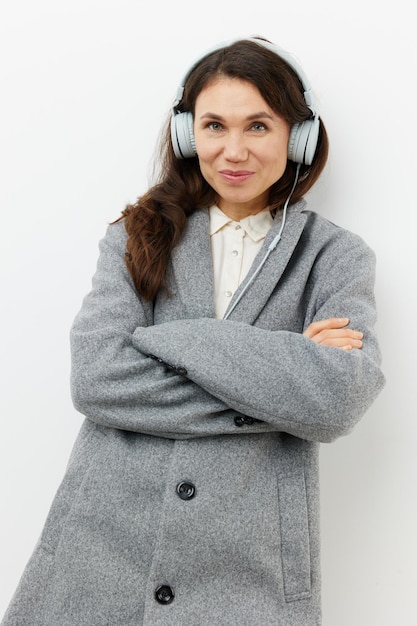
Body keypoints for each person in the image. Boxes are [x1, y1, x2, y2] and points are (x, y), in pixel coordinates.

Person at [1, 37, 385, 626]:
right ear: (188, 136)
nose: (234, 150)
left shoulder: (336, 257)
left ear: (297, 137)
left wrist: (175, 340)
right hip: (103, 548)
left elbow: (337, 400)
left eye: (258, 126)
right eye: (214, 126)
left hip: (249, 567)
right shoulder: (137, 234)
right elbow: (98, 378)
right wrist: (284, 381)